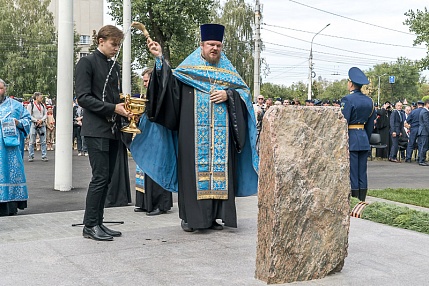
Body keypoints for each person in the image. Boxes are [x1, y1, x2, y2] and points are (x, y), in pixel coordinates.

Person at [131, 23, 259, 232]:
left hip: (221, 138)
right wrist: (159, 59)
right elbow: (168, 88)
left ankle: (216, 217)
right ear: (201, 45)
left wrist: (229, 95)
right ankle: (190, 218)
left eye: (218, 45)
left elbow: (244, 95)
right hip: (192, 137)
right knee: (192, 175)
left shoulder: (229, 74)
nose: (214, 48)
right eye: (210, 44)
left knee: (221, 174)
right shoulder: (187, 71)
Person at [75, 25, 132, 241]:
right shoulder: (86, 62)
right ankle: (89, 225)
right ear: (101, 41)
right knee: (99, 177)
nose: (116, 48)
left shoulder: (113, 66)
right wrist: (113, 108)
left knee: (107, 178)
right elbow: (83, 98)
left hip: (112, 128)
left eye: (118, 45)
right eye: (113, 44)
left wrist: (125, 107)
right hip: (95, 129)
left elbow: (112, 96)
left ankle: (98, 222)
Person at [134, 68, 173, 215]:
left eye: (146, 80)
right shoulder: (147, 96)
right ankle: (144, 202)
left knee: (157, 168)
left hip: (158, 135)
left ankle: (159, 204)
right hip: (146, 134)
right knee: (144, 168)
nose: (144, 84)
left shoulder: (161, 95)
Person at [341, 67, 376, 202]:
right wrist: (365, 138)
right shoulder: (369, 101)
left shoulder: (347, 100)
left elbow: (344, 121)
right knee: (362, 172)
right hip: (363, 138)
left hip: (351, 138)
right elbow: (370, 124)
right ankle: (362, 200)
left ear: (351, 83)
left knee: (353, 173)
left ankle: (354, 201)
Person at [0, 78, 31, 216]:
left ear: (5, 89)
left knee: (10, 175)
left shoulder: (16, 106)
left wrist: (18, 122)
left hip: (9, 151)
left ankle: (10, 206)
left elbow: (28, 120)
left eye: (0, 88)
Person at [27, 92, 48, 162]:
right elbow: (29, 115)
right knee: (32, 141)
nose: (42, 99)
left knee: (43, 141)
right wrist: (36, 120)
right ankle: (31, 156)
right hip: (34, 124)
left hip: (42, 124)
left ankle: (44, 156)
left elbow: (46, 114)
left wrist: (41, 120)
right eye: (40, 97)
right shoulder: (31, 105)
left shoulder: (43, 105)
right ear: (36, 97)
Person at [417, 100, 429, 166]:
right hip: (424, 131)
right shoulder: (425, 112)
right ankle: (421, 160)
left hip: (423, 131)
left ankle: (421, 159)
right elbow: (426, 123)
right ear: (427, 104)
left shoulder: (424, 111)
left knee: (424, 146)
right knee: (424, 146)